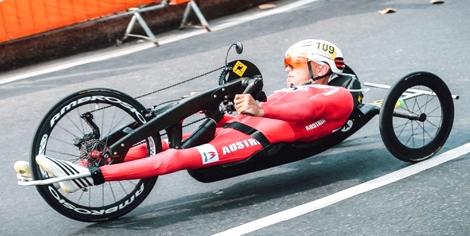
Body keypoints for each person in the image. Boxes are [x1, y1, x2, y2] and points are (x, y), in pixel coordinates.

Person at [32, 39, 355, 193]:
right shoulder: (288, 92)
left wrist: (262, 108)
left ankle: (91, 178)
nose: (287, 71)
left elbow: (306, 112)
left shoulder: (335, 95)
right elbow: (267, 104)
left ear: (321, 68)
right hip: (231, 126)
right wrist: (215, 105)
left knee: (176, 156)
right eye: (286, 65)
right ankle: (82, 165)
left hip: (251, 141)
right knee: (156, 141)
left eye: (295, 65)